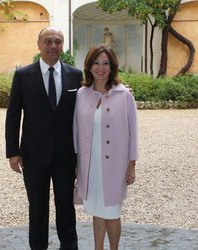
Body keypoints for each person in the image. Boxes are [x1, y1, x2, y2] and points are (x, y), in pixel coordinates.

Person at [5, 26, 82, 250]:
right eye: (48, 41)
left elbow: (85, 111)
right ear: (39, 44)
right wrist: (12, 152)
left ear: (62, 45)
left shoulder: (75, 76)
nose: (53, 46)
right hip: (33, 154)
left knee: (66, 206)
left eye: (57, 41)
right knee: (37, 207)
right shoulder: (23, 75)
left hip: (66, 155)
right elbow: (13, 115)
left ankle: (69, 246)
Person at [73, 44, 138, 250]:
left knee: (112, 212)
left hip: (116, 165)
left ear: (112, 67)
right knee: (97, 210)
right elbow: (75, 130)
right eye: (96, 63)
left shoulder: (124, 95)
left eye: (105, 63)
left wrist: (132, 165)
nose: (100, 68)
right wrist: (77, 166)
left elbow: (133, 133)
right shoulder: (81, 94)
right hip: (90, 163)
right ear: (89, 66)